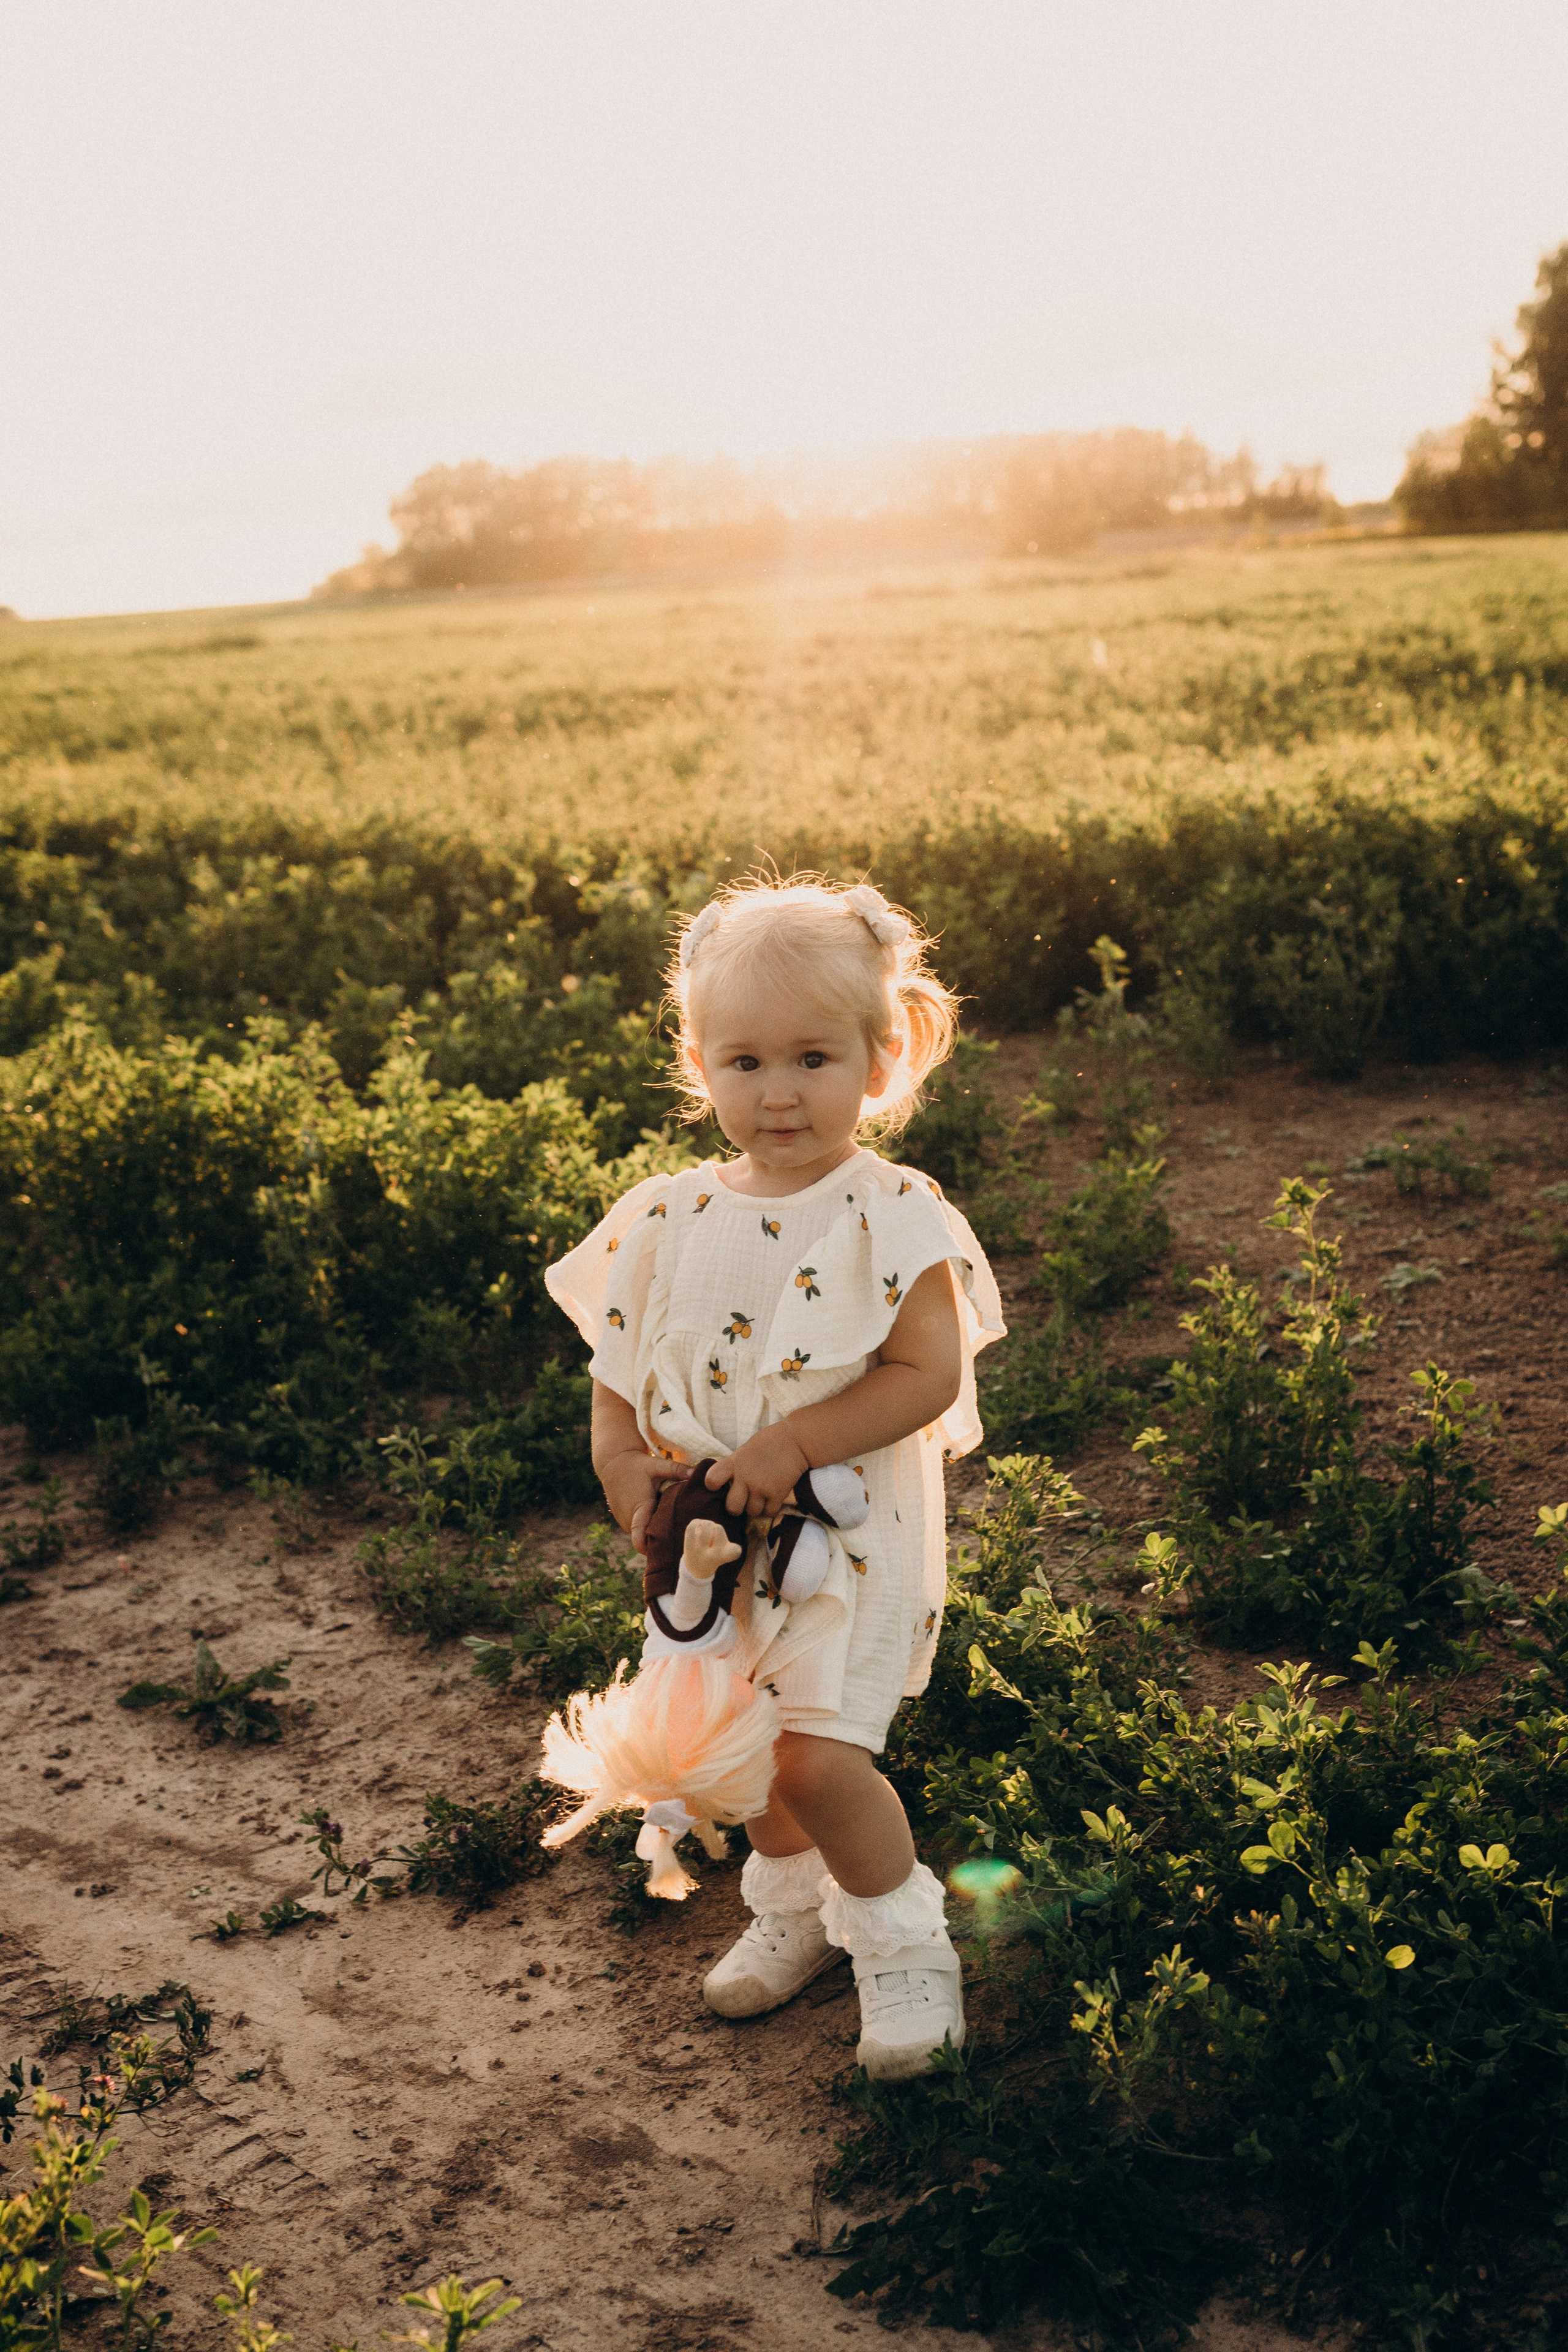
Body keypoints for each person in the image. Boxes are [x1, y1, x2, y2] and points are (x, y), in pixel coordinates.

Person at [544, 875, 1004, 2079]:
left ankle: (903, 1944)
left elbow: (925, 1372)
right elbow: (616, 1367)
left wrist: (794, 1442)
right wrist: (623, 1468)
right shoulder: (667, 1214)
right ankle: (793, 1905)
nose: (779, 1092)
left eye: (813, 1057)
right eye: (744, 1062)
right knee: (745, 1746)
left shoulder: (889, 1211)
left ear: (880, 1056)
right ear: (698, 1064)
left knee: (819, 1755)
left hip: (848, 1541)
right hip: (713, 1544)